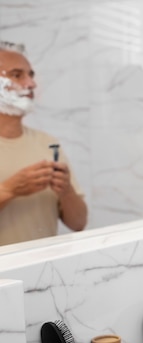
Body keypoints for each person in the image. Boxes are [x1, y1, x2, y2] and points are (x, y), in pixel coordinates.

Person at [0, 41, 87, 246]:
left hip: (44, 271)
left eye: (31, 75)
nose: (31, 84)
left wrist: (66, 191)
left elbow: (79, 223)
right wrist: (9, 190)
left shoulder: (48, 144)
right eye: (17, 75)